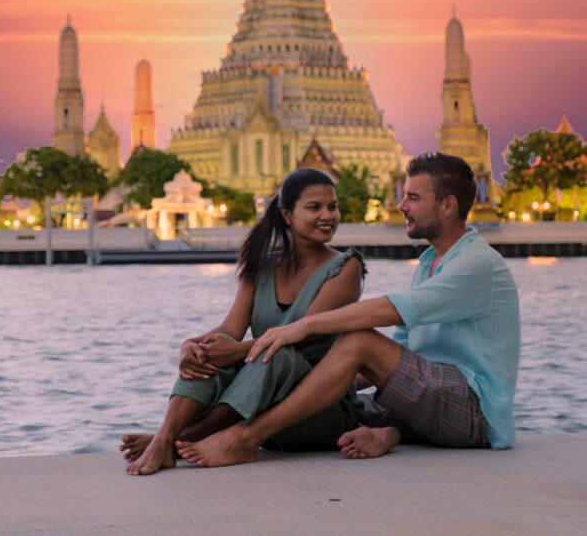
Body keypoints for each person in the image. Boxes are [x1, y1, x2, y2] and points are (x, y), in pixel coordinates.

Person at [177, 152, 521, 467]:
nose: (401, 205)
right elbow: (399, 352)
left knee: (357, 341)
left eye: (413, 197)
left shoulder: (476, 263)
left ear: (447, 206)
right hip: (429, 399)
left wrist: (304, 327)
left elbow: (393, 311)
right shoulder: (430, 262)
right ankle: (177, 438)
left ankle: (244, 438)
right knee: (323, 401)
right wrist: (327, 377)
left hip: (475, 412)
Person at [120, 167, 368, 475]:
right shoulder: (261, 264)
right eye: (314, 207)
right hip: (263, 411)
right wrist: (190, 347)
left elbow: (305, 335)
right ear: (287, 214)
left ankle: (174, 440)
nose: (328, 215)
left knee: (278, 355)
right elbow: (231, 330)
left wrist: (237, 352)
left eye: (332, 207)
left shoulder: (346, 267)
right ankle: (168, 434)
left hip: (318, 412)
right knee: (211, 352)